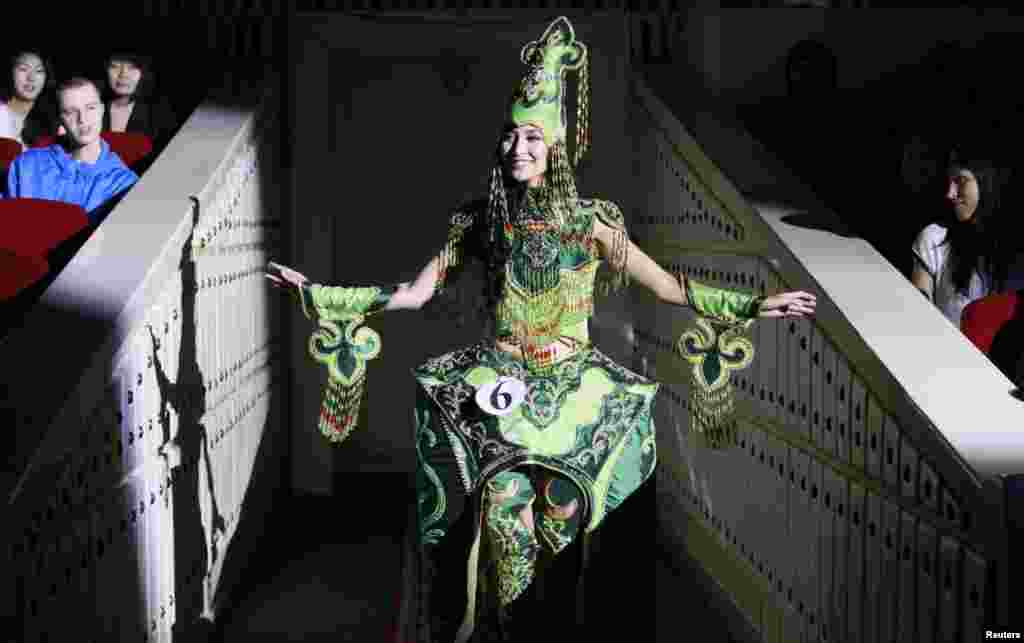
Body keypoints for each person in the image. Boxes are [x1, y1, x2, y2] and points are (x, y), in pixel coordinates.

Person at [266, 16, 816, 642]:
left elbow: (665, 285)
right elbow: (418, 292)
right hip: (497, 388)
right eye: (510, 136)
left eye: (533, 136)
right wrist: (323, 294)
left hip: (577, 393)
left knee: (562, 519)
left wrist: (750, 306)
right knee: (502, 517)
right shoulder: (477, 221)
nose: (518, 147)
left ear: (555, 147)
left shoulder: (592, 224)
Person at [5, 77, 138, 221]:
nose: (82, 119)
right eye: (70, 112)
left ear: (102, 110)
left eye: (90, 108)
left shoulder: (123, 182)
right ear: (60, 118)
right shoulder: (26, 164)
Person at [911, 149, 1010, 327]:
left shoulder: (1012, 254)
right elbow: (919, 314)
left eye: (961, 181)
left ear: (986, 181)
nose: (950, 193)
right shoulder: (934, 238)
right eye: (949, 182)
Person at [101, 51, 177, 149]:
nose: (123, 74)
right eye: (115, 66)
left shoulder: (160, 114)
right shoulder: (91, 109)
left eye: (132, 67)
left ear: (144, 72)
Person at [0, 50, 58, 147]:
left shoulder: (49, 123)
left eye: (39, 71)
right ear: (10, 72)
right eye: (23, 69)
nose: (31, 78)